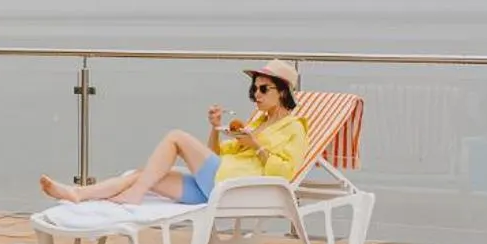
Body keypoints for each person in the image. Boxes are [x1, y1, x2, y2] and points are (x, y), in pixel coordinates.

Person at [40, 60, 309, 207]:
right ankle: (78, 193)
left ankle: (135, 194)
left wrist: (257, 146)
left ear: (282, 92)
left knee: (176, 137)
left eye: (263, 89)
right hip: (215, 183)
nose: (256, 95)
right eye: (254, 89)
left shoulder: (294, 128)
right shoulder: (257, 121)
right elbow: (215, 153)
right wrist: (215, 128)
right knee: (140, 174)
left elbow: (284, 173)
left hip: (233, 187)